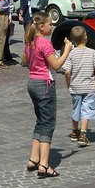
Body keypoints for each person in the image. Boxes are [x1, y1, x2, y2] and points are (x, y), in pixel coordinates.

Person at [23, 12, 73, 178]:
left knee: (40, 121)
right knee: (48, 123)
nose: (52, 26)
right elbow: (56, 65)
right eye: (50, 24)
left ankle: (33, 158)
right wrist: (66, 50)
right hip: (45, 84)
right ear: (41, 27)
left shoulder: (30, 40)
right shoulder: (44, 43)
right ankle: (44, 164)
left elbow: (24, 61)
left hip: (32, 82)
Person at [64, 25, 95, 147]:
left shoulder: (71, 54)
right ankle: (83, 135)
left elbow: (66, 71)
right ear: (86, 38)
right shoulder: (92, 53)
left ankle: (75, 132)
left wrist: (69, 84)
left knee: (76, 108)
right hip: (89, 87)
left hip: (75, 87)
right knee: (86, 110)